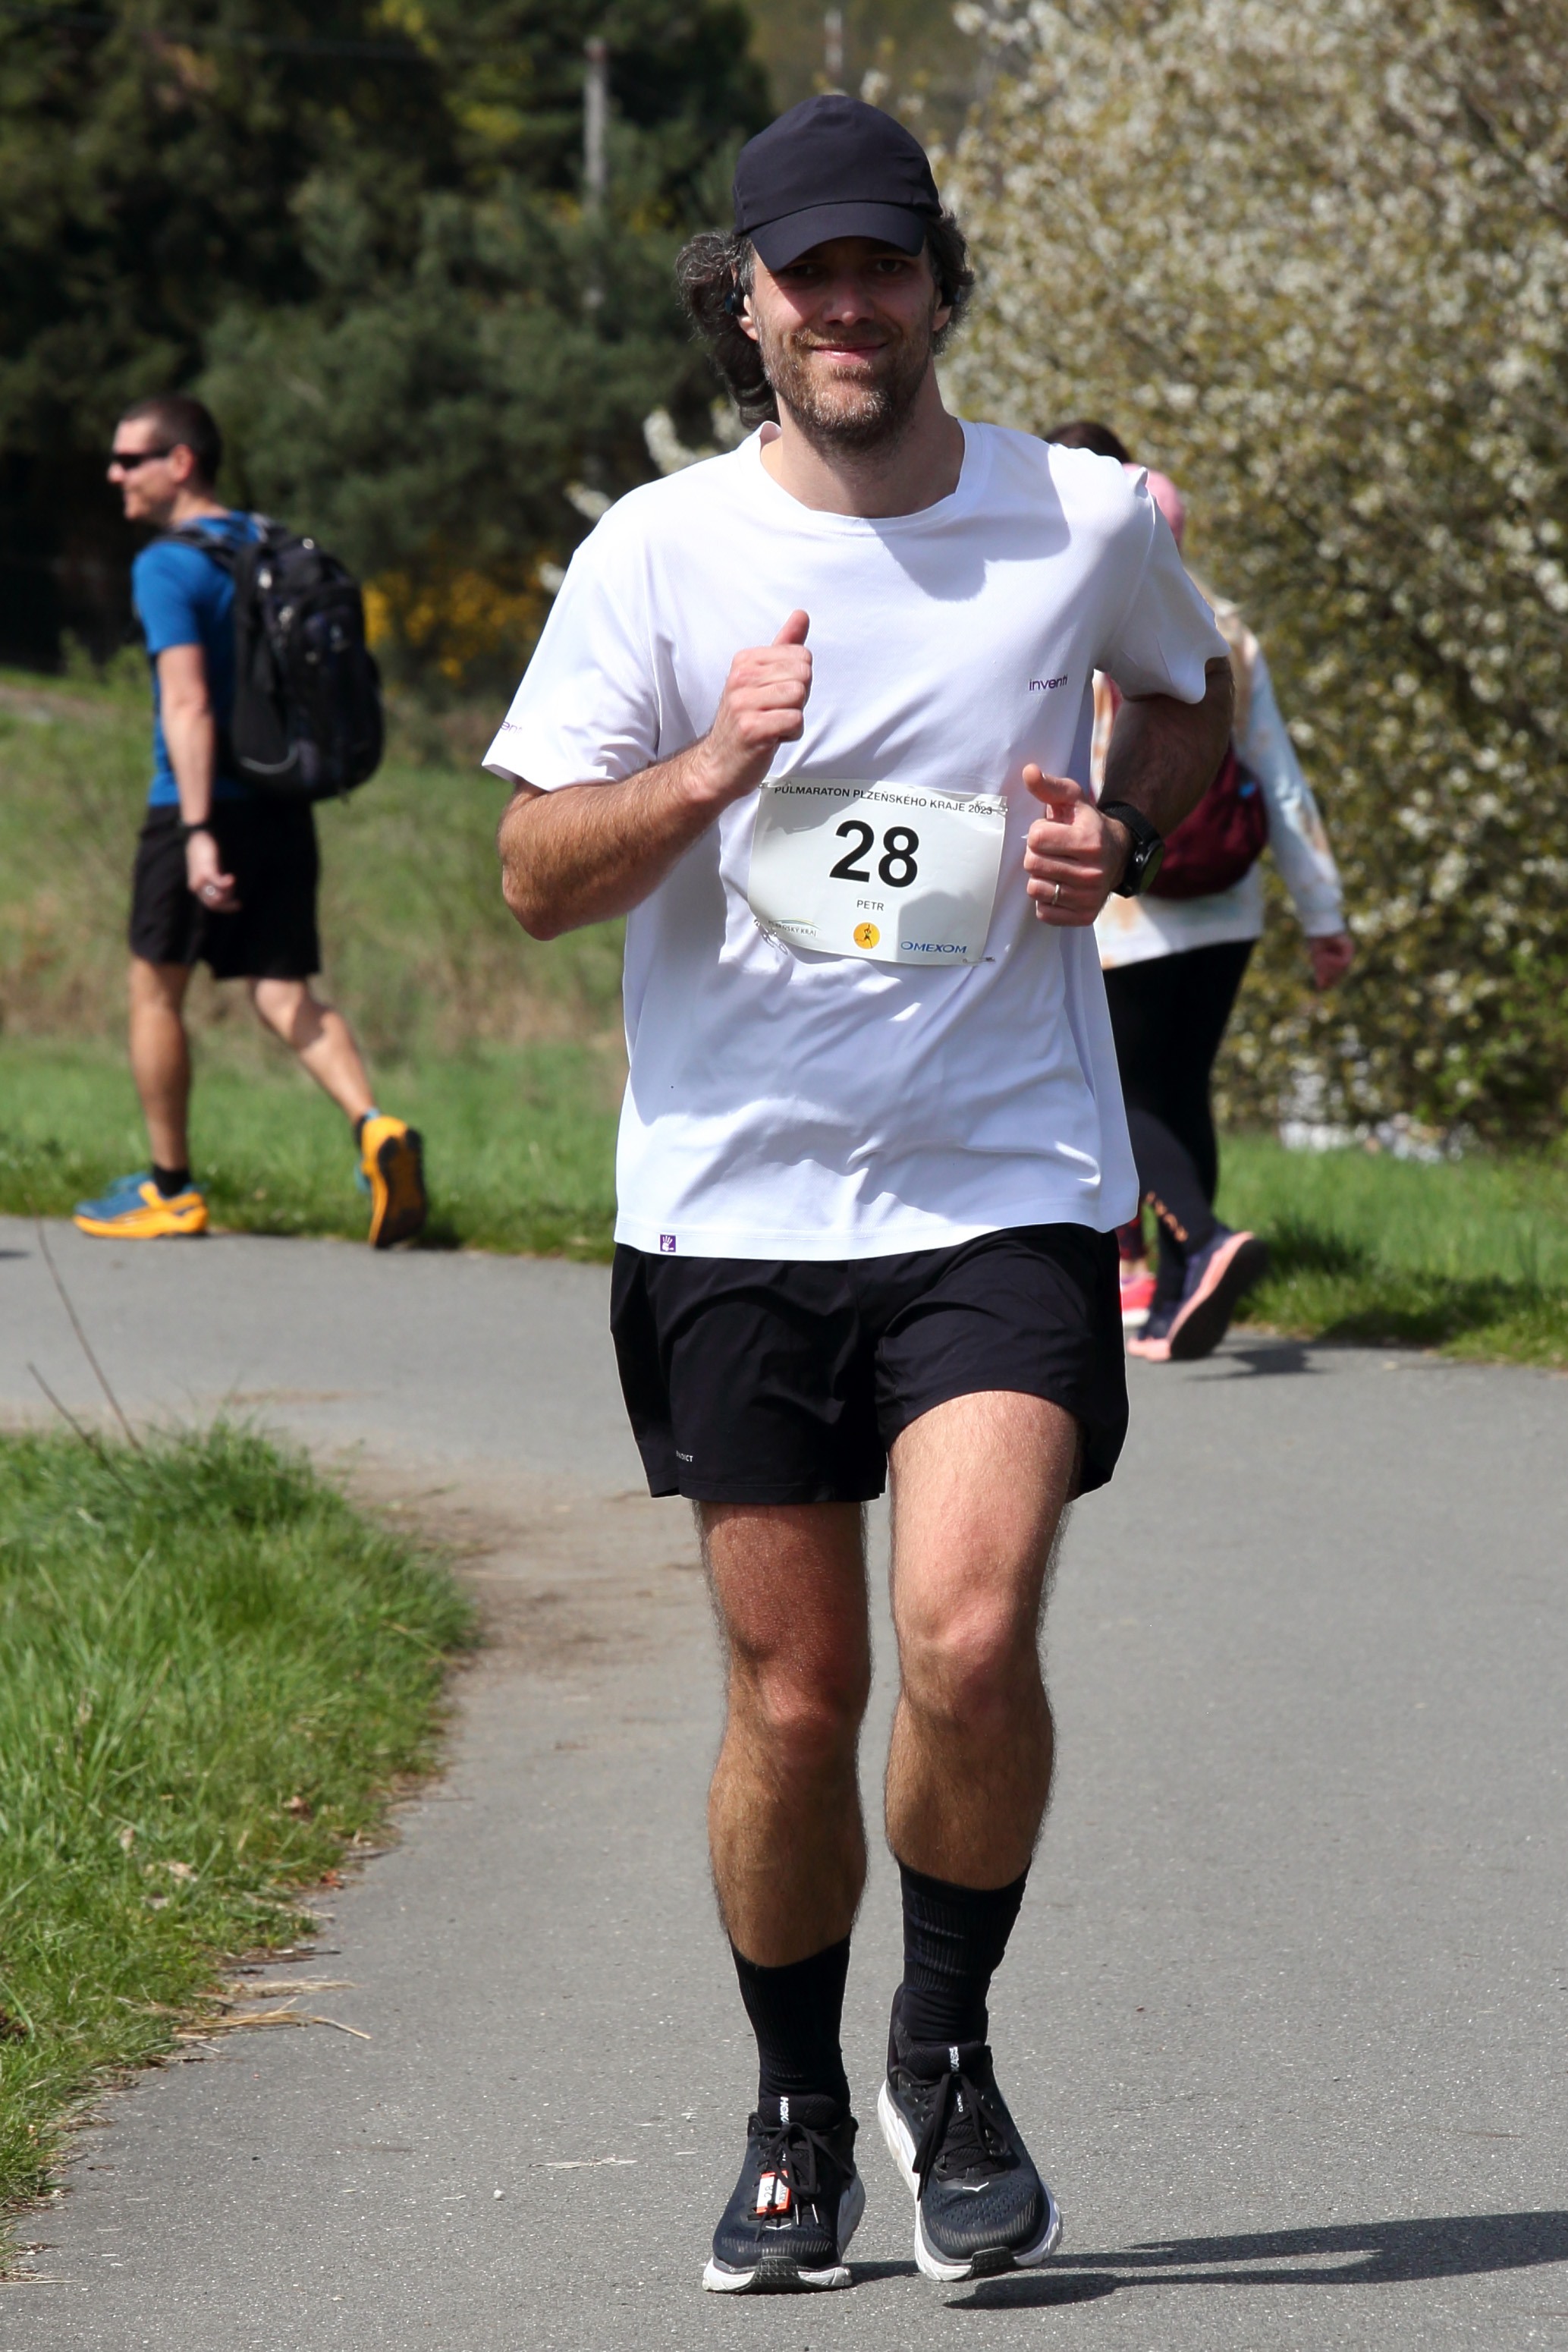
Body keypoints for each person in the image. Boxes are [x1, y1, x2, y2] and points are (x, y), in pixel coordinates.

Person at [490, 97, 1233, 2292]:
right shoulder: (656, 552)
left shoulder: (1077, 515)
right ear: (744, 302)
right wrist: (711, 769)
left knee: (969, 1638)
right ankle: (794, 2104)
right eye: (804, 274)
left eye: (880, 267)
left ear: (936, 286)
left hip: (1000, 1175)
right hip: (733, 1206)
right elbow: (533, 873)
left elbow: (1187, 694)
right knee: (797, 1700)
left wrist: (1116, 824)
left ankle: (948, 2052)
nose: (845, 306)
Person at [73, 394, 426, 1248]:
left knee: (155, 990)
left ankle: (170, 1189)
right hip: (282, 802)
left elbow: (187, 704)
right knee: (282, 990)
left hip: (197, 806)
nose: (114, 474)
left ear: (180, 463)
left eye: (130, 459)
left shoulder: (168, 565)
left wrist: (196, 832)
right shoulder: (265, 543)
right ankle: (374, 1125)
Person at [1048, 423, 1354, 1362]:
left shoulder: (1073, 611)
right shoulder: (1226, 627)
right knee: (1182, 1089)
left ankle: (1207, 1239)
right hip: (1230, 901)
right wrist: (1324, 913)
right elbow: (1281, 780)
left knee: (1119, 1089)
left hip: (1126, 906)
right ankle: (1180, 1298)